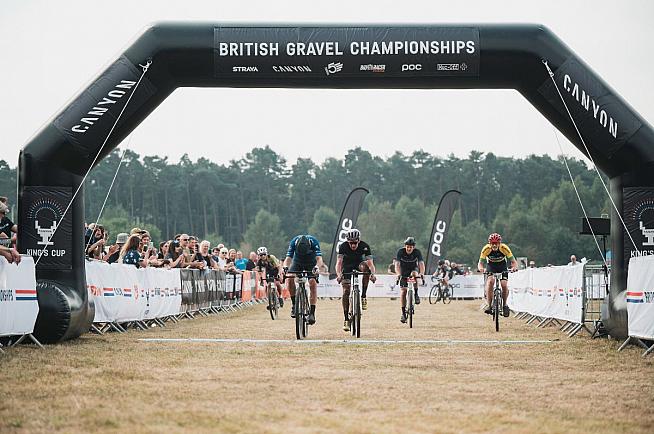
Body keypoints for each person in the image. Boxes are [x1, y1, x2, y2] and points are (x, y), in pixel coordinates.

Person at [335, 228, 376, 332]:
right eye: (351, 243)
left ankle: (363, 296)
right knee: (346, 291)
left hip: (359, 264)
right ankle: (346, 319)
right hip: (346, 266)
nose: (353, 245)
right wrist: (339, 274)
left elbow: (370, 263)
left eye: (355, 243)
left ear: (359, 240)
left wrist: (372, 274)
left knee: (366, 268)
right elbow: (339, 263)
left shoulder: (365, 246)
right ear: (348, 241)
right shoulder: (343, 246)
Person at [283, 234, 324, 325]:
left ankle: (312, 313)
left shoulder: (313, 241)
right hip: (298, 262)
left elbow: (319, 259)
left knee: (312, 283)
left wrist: (317, 267)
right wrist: (285, 266)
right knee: (290, 277)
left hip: (311, 263)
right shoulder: (294, 241)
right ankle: (294, 304)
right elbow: (288, 258)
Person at [477, 232, 518, 317]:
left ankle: (505, 305)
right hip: (491, 266)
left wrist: (514, 267)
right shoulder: (486, 249)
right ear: (489, 243)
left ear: (499, 243)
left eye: (496, 244)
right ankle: (489, 305)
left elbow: (513, 261)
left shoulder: (504, 248)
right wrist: (481, 268)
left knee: (504, 284)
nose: (494, 246)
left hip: (502, 266)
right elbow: (480, 262)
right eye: (492, 244)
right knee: (490, 282)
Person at [393, 237, 425, 323]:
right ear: (405, 246)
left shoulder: (417, 252)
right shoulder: (400, 252)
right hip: (403, 270)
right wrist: (398, 274)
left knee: (415, 274)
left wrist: (422, 273)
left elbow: (421, 263)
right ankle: (403, 314)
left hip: (413, 268)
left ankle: (416, 294)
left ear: (413, 247)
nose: (409, 248)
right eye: (407, 247)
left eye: (411, 247)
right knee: (403, 291)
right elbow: (397, 264)